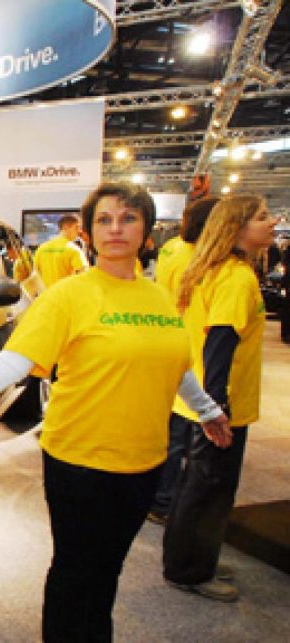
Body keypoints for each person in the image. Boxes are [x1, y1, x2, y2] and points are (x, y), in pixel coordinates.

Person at [0, 182, 229, 643]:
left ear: (147, 232)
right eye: (104, 220)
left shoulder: (160, 297)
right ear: (87, 233)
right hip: (80, 460)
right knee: (75, 570)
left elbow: (176, 365)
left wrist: (206, 410)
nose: (115, 229)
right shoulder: (69, 296)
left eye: (128, 219)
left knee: (107, 569)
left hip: (144, 461)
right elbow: (15, 360)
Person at [163, 196, 278, 602]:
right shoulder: (235, 278)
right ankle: (190, 569)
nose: (272, 222)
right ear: (237, 226)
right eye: (261, 218)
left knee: (196, 484)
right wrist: (218, 410)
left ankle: (193, 558)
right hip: (217, 406)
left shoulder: (217, 271)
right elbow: (220, 344)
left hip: (200, 401)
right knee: (208, 490)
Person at [148, 196, 219, 524]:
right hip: (195, 354)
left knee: (173, 434)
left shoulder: (172, 249)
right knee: (184, 439)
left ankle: (160, 499)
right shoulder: (207, 262)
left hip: (170, 346)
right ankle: (166, 502)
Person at [33, 214, 88, 287]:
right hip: (66, 296)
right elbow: (84, 276)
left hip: (46, 296)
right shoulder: (74, 249)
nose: (79, 231)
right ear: (67, 227)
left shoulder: (41, 248)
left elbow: (34, 275)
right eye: (77, 227)